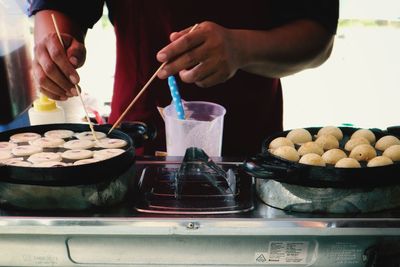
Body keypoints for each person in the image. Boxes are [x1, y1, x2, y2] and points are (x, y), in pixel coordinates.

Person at [29, 0, 339, 156]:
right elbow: (58, 7)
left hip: (248, 149)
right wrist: (53, 45)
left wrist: (241, 48)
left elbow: (317, 36)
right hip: (136, 138)